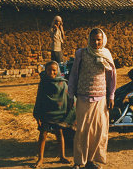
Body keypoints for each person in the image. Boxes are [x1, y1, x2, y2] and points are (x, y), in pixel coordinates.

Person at [68, 28, 116, 169]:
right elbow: (74, 75)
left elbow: (112, 77)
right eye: (93, 39)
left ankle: (91, 161)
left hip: (101, 99)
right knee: (82, 131)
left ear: (103, 40)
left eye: (98, 39)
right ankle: (79, 162)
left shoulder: (106, 54)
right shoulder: (81, 53)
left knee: (98, 131)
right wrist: (70, 94)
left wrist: (111, 95)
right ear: (88, 39)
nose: (96, 42)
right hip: (84, 97)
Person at [33, 61, 75, 168]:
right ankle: (40, 158)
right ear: (45, 71)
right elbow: (39, 99)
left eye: (54, 70)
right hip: (46, 113)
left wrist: (73, 106)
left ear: (58, 71)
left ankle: (62, 156)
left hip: (59, 114)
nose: (51, 72)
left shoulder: (62, 83)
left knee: (59, 134)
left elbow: (69, 98)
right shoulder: (43, 83)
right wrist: (37, 115)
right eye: (49, 70)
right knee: (43, 135)